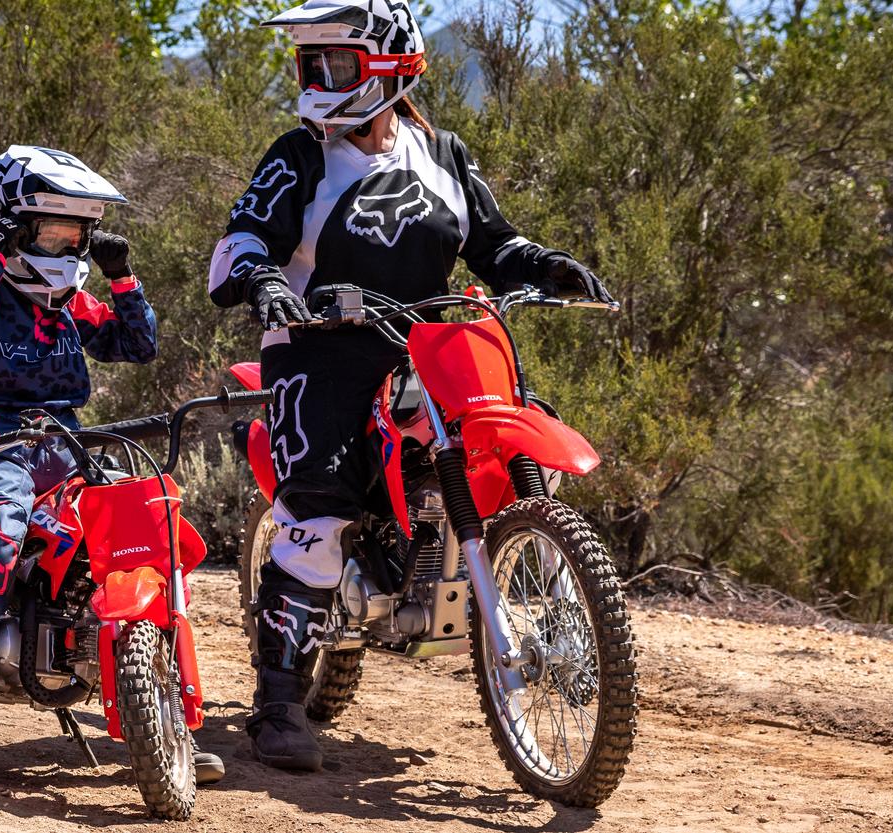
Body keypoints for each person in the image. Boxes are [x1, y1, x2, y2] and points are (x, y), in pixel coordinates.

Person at [207, 0, 615, 772]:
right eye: (311, 65)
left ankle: (542, 593)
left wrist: (543, 265)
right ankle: (277, 706)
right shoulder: (299, 154)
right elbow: (241, 239)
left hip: (425, 342)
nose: (318, 79)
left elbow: (494, 242)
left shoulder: (441, 151)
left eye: (335, 64)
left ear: (390, 67)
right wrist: (262, 280)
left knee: (512, 428)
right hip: (320, 346)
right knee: (319, 504)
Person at [0, 145, 224, 787]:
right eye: (51, 232)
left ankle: (170, 719)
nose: (65, 249)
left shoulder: (70, 304)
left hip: (69, 442)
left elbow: (137, 344)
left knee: (151, 530)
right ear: (12, 225)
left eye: (77, 236)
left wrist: (123, 278)